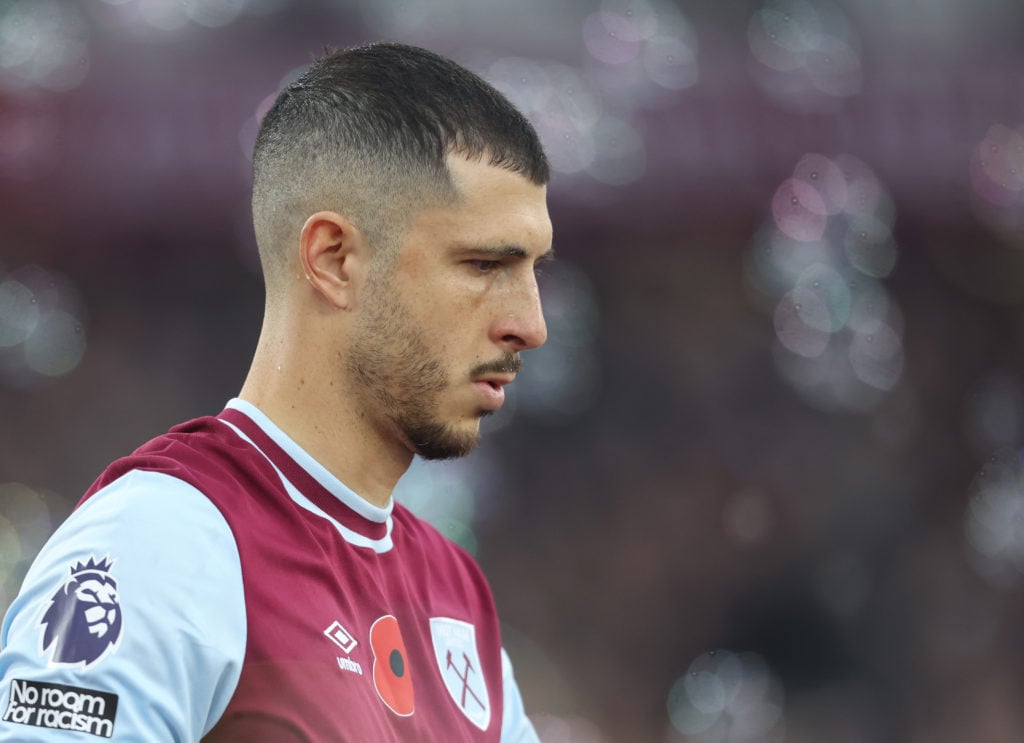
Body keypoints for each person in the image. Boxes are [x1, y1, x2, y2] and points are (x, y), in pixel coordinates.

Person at [0, 42, 553, 741]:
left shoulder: (456, 595)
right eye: (483, 264)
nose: (530, 325)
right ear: (335, 259)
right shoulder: (161, 545)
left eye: (533, 269)